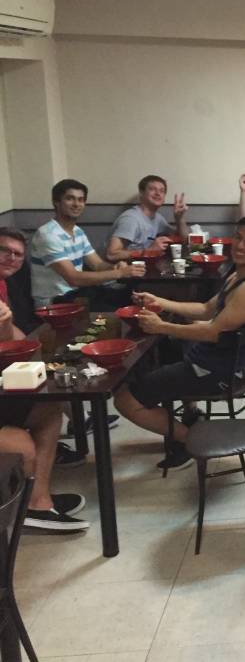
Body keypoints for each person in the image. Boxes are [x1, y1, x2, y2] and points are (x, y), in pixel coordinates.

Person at [113, 216, 245, 470]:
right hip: (214, 361)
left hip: (220, 372)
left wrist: (162, 326)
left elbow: (212, 332)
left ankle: (190, 440)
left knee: (124, 399)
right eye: (238, 237)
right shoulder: (237, 276)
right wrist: (160, 301)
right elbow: (206, 309)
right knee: (166, 353)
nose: (240, 245)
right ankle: (190, 416)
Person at [0, 226, 89, 531]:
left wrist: (24, 342)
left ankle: (38, 502)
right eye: (4, 251)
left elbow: (13, 339)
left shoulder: (2, 285)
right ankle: (22, 508)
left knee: (50, 409)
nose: (11, 258)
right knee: (22, 442)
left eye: (17, 254)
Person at [30, 179, 144, 309]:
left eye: (80, 200)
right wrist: (120, 273)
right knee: (117, 307)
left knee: (132, 296)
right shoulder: (47, 234)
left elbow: (97, 264)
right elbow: (73, 278)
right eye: (70, 199)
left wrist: (115, 267)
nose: (76, 204)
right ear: (56, 202)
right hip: (54, 302)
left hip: (76, 294)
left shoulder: (77, 231)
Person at [105, 175, 189, 261]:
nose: (158, 193)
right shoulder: (131, 219)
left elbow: (183, 238)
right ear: (141, 194)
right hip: (121, 269)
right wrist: (149, 251)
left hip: (143, 266)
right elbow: (111, 254)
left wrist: (180, 219)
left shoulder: (158, 218)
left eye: (162, 191)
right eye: (152, 189)